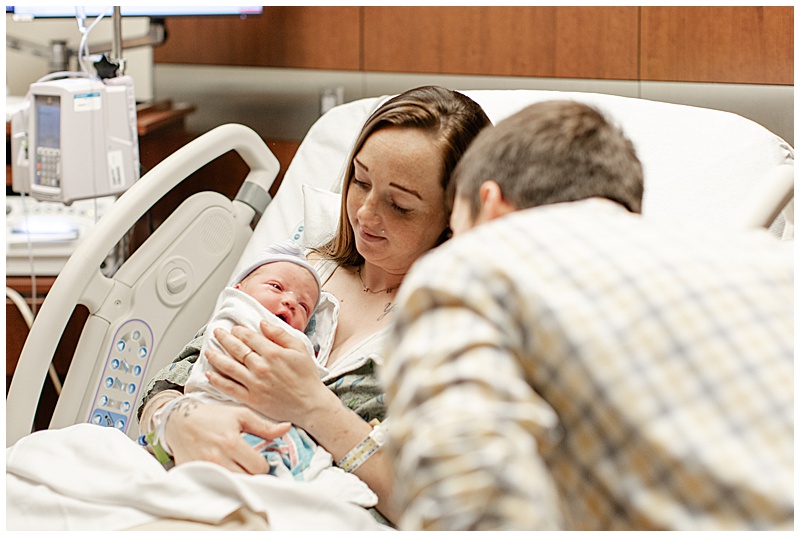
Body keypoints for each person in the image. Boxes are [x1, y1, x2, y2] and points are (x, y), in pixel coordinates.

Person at [382, 100, 794, 530]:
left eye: (456, 225)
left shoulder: (471, 265)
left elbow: (470, 499)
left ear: (489, 205)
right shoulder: (772, 263)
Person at [136, 85, 492, 525]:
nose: (364, 213)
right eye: (360, 181)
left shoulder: (456, 334)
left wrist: (312, 406)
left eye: (399, 205)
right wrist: (177, 420)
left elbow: (441, 511)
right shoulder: (296, 272)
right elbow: (168, 384)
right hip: (193, 490)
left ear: (454, 219)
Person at [146, 239, 325, 481]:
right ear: (239, 291)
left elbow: (316, 386)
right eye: (276, 287)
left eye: (304, 306)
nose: (291, 302)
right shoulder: (235, 315)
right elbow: (168, 383)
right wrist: (168, 419)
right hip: (203, 413)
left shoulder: (298, 342)